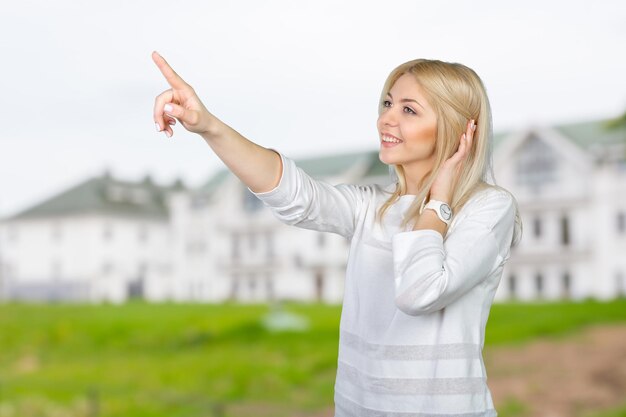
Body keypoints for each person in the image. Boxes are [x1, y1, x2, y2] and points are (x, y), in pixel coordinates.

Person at [152, 51, 522, 417]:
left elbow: (419, 291)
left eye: (408, 110)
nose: (385, 120)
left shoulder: (488, 209)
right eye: (387, 103)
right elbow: (294, 194)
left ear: (459, 131)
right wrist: (209, 126)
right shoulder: (370, 207)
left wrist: (438, 200)